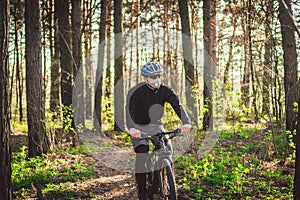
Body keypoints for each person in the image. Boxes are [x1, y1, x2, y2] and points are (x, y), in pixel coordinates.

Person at [126, 61, 192, 200]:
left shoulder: (165, 91)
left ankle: (166, 181)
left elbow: (178, 106)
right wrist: (132, 128)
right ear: (146, 78)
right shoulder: (136, 91)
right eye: (153, 76)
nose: (156, 79)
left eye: (158, 75)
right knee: (142, 152)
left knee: (167, 150)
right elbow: (130, 110)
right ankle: (142, 190)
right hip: (138, 127)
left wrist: (186, 122)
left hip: (156, 126)